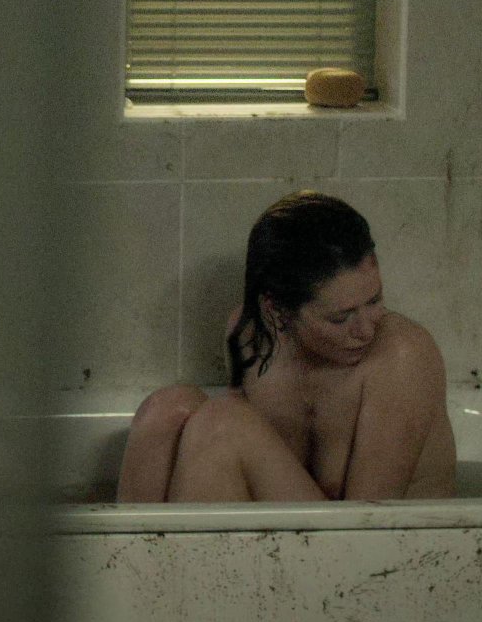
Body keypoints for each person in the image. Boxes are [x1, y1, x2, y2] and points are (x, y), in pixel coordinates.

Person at [115, 190, 455, 502]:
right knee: (165, 410)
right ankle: (132, 551)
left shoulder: (403, 356)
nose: (366, 330)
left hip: (382, 540)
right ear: (276, 311)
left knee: (223, 426)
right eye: (340, 318)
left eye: (375, 300)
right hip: (298, 533)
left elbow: (370, 522)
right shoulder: (252, 335)